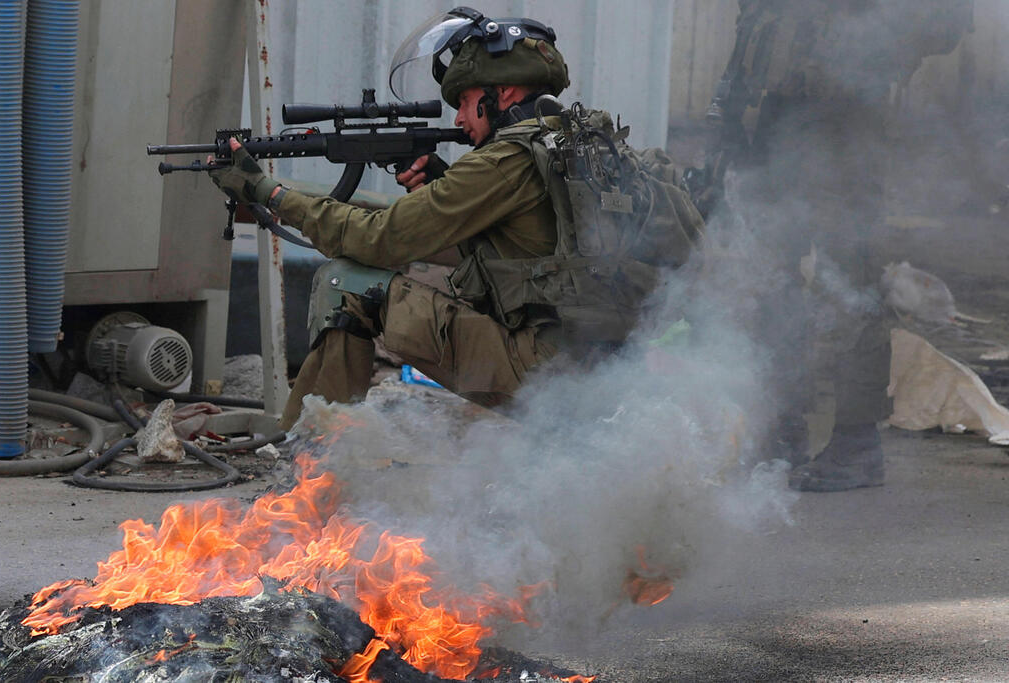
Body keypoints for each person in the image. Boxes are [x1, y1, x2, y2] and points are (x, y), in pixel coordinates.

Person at [208, 7, 703, 430]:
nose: (460, 120)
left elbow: (378, 239)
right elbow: (536, 250)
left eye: (466, 102)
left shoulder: (504, 162)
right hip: (609, 374)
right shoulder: (583, 146)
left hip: (547, 379)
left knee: (348, 282)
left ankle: (308, 465)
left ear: (504, 94)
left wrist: (266, 190)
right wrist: (444, 181)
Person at [708, 0, 974, 491]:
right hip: (776, 121)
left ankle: (856, 444)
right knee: (771, 278)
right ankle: (781, 426)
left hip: (848, 128)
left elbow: (949, 21)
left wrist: (871, 46)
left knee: (850, 284)